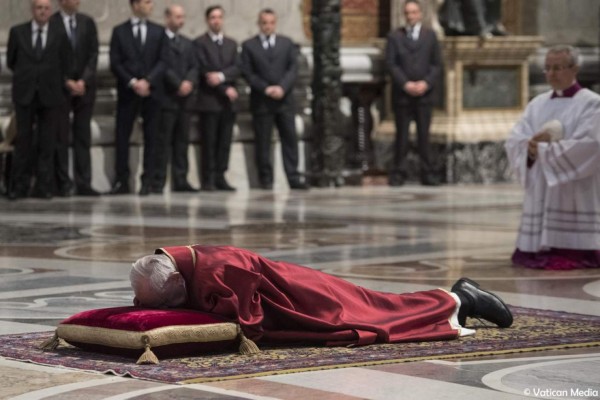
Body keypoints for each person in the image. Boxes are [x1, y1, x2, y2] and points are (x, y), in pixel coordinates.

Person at [130, 245, 513, 347]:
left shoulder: (216, 270)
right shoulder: (173, 266)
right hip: (298, 291)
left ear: (179, 283)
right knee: (379, 307)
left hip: (308, 300)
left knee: (375, 314)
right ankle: (454, 304)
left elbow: (250, 323)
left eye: (167, 303)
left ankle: (460, 299)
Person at [505, 45, 600, 270]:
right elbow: (516, 137)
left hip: (576, 185)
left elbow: (591, 144)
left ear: (574, 69)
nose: (551, 74)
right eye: (547, 68)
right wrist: (528, 149)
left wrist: (545, 151)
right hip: (542, 180)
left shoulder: (592, 103)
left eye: (557, 68)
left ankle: (578, 247)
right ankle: (541, 245)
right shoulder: (538, 103)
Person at [6, 0, 71, 200]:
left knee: (47, 142)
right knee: (23, 142)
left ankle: (44, 186)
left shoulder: (59, 34)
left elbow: (67, 61)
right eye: (39, 8)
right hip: (25, 94)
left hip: (50, 95)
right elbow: (11, 61)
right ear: (32, 10)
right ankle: (19, 186)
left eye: (46, 8)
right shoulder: (18, 32)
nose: (42, 12)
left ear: (50, 11)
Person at [240, 9, 308, 191]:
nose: (268, 26)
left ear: (275, 23)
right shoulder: (249, 46)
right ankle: (265, 179)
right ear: (259, 24)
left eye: (271, 22)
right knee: (263, 141)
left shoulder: (286, 44)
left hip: (284, 101)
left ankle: (293, 177)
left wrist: (282, 87)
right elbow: (247, 72)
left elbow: (292, 69)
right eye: (264, 22)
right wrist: (266, 88)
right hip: (262, 102)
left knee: (290, 139)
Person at [109, 0, 167, 196]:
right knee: (122, 136)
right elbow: (115, 62)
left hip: (152, 92)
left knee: (152, 137)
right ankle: (121, 180)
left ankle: (148, 180)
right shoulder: (119, 31)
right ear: (135, 5)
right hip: (128, 92)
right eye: (147, 2)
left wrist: (148, 81)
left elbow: (163, 60)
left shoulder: (159, 31)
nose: (151, 5)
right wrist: (133, 82)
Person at [386, 0, 442, 187]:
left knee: (424, 136)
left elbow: (436, 64)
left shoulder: (430, 36)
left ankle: (427, 172)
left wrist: (426, 83)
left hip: (424, 95)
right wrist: (405, 84)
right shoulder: (395, 37)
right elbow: (392, 64)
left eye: (414, 12)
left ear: (420, 14)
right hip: (403, 95)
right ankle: (398, 173)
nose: (410, 16)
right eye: (407, 13)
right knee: (401, 136)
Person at [51, 0, 100, 197]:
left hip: (84, 88)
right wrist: (66, 81)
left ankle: (84, 182)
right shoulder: (52, 23)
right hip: (60, 88)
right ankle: (63, 182)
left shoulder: (87, 22)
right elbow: (50, 56)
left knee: (83, 136)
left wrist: (83, 80)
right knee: (60, 136)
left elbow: (93, 54)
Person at [151, 5, 198, 194]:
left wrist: (189, 82)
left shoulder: (188, 43)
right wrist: (177, 83)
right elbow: (162, 67)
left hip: (185, 101)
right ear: (167, 17)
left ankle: (181, 179)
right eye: (178, 16)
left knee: (182, 141)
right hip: (167, 97)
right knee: (163, 141)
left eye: (183, 17)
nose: (181, 20)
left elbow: (195, 66)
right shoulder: (159, 41)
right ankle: (158, 180)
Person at [195, 5, 240, 192]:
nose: (216, 20)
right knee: (209, 141)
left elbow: (237, 68)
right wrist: (223, 87)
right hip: (209, 100)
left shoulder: (231, 43)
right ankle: (208, 178)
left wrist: (222, 78)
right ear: (207, 20)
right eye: (213, 17)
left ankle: (221, 175)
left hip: (227, 102)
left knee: (224, 142)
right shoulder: (199, 43)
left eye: (219, 17)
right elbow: (205, 70)